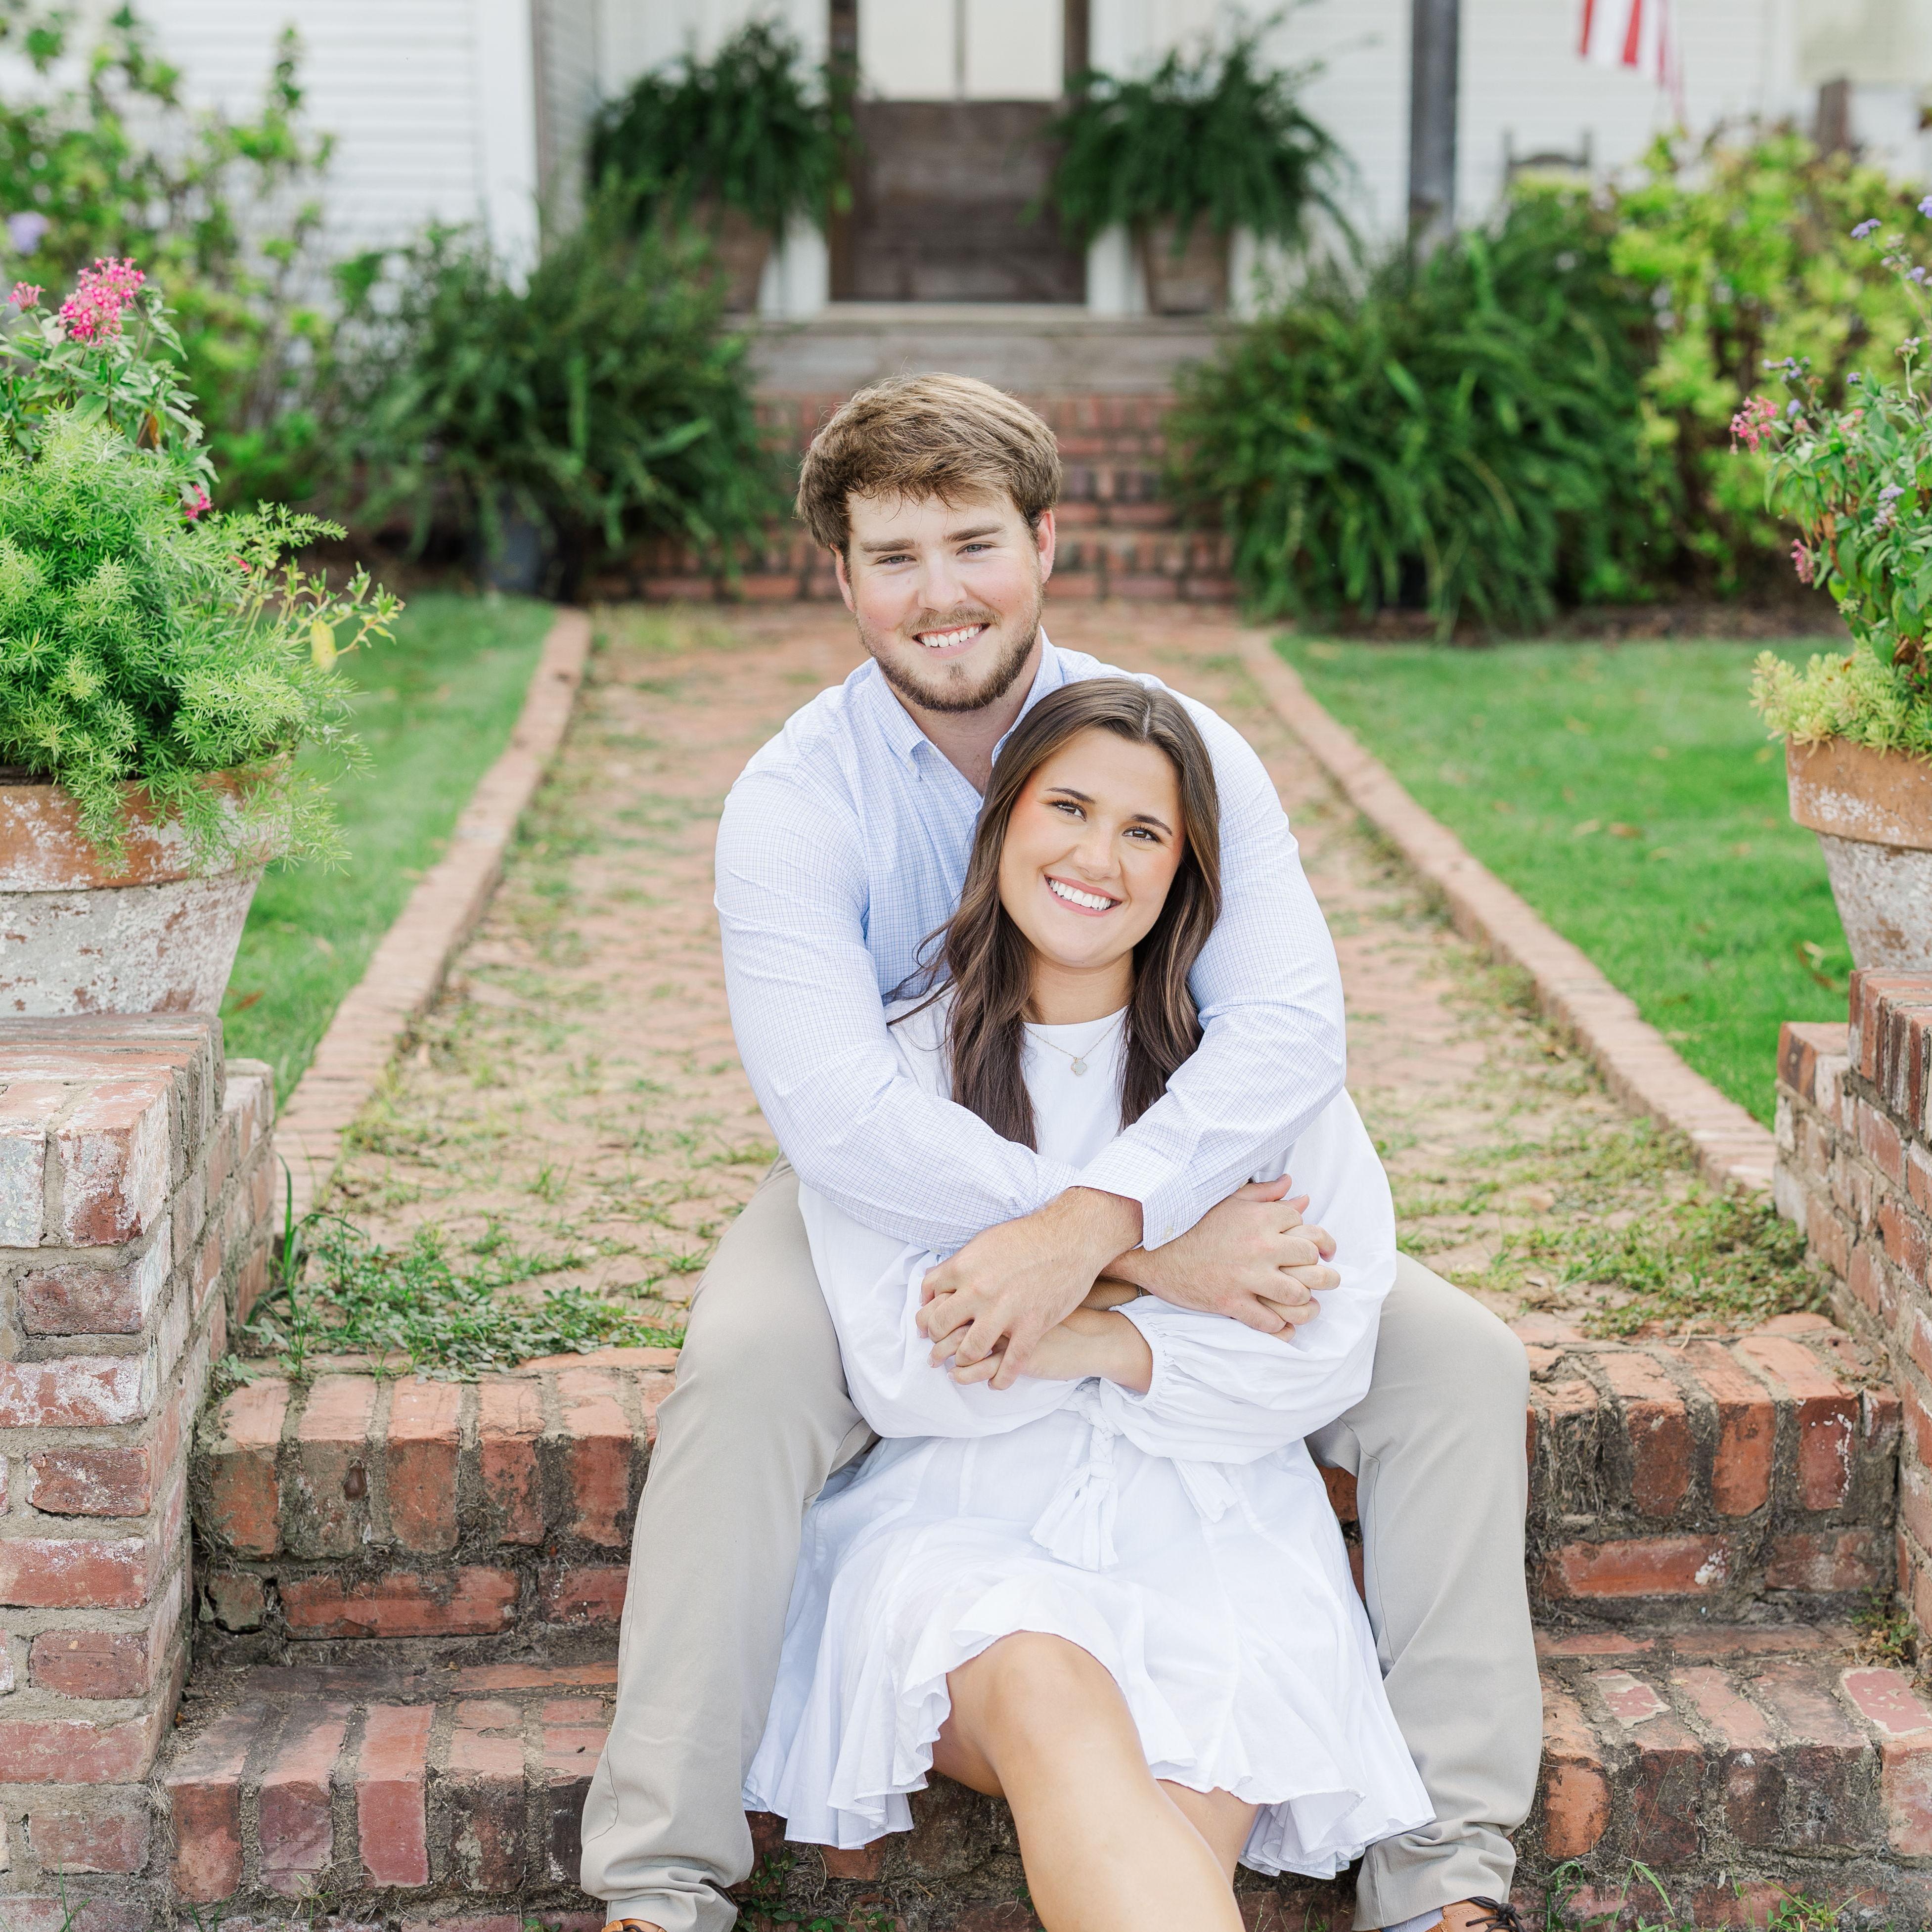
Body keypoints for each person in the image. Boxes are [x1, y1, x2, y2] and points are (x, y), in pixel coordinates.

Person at [580, 373, 1538, 1932]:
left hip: (1161, 1148)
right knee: (747, 1367)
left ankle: (1443, 1878)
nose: (939, 594)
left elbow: (1288, 1025)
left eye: (972, 544)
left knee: (1457, 1362)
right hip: (890, 1179)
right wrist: (1142, 1251)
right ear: (842, 575)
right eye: (894, 557)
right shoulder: (795, 800)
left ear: (1043, 543)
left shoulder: (1175, 747)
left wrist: (1107, 1224)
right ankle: (661, 1878)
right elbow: (841, 1118)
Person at [746, 675, 1433, 1931]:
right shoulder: (903, 1076)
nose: (1096, 859)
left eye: (1143, 831)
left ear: (1185, 874)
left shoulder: (1252, 1094)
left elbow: (1317, 1359)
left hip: (1225, 1545)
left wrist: (1084, 1331)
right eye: (1067, 808)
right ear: (1002, 817)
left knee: (1167, 1840)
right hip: (962, 1533)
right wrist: (1172, 1274)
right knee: (1050, 1692)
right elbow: (901, 1364)